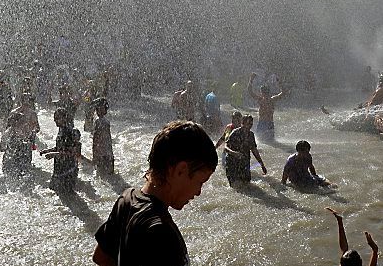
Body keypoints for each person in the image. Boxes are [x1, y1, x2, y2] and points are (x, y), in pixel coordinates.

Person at [93, 121, 217, 266]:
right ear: (180, 170)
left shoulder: (126, 199)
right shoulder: (161, 234)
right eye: (200, 182)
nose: (198, 192)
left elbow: (101, 257)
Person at [41, 107, 81, 193]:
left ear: (64, 118)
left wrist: (54, 154)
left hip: (68, 170)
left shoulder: (69, 131)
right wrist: (48, 151)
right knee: (55, 191)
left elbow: (71, 152)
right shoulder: (61, 130)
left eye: (57, 118)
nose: (55, 120)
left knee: (66, 194)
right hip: (60, 168)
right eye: (54, 118)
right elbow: (60, 147)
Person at [223, 114, 267, 186]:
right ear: (242, 123)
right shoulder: (235, 133)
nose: (250, 126)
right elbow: (226, 147)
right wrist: (234, 153)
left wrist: (262, 165)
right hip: (232, 162)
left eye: (251, 124)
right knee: (235, 186)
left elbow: (254, 151)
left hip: (244, 163)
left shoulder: (251, 135)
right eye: (248, 123)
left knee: (247, 184)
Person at [248, 73, 284, 139]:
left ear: (262, 92)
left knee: (260, 140)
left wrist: (251, 80)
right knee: (270, 141)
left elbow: (250, 91)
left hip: (263, 122)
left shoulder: (262, 99)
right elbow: (283, 93)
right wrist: (279, 82)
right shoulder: (272, 99)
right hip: (268, 122)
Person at [92, 97, 114, 176]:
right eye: (97, 109)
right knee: (108, 176)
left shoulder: (99, 122)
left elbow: (96, 139)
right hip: (107, 154)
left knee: (102, 176)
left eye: (101, 108)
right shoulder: (105, 121)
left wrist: (95, 155)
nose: (98, 110)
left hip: (102, 154)